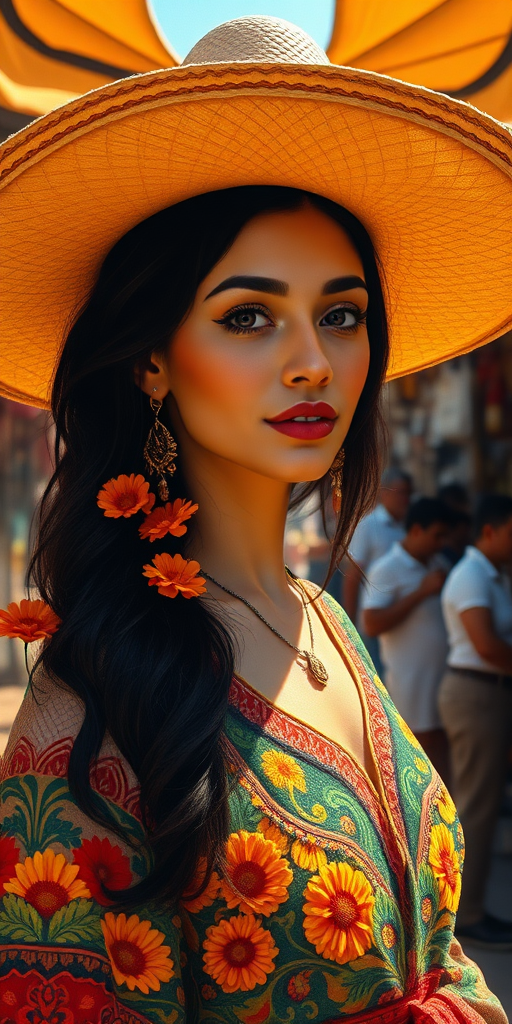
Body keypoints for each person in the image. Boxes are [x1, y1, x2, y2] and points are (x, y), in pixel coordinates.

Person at [0, 15, 509, 1023]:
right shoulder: (87, 715)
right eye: (248, 314)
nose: (312, 360)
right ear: (150, 356)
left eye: (341, 311)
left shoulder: (326, 620)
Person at [439, 495, 512, 950]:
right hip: (476, 691)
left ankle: (472, 911)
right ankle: (466, 917)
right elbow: (486, 645)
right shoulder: (470, 576)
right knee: (477, 811)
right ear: (489, 531)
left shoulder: (492, 574)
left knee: (481, 805)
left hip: (490, 692)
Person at [361, 498, 454, 781]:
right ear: (415, 531)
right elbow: (371, 623)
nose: (441, 543)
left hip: (442, 677)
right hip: (411, 681)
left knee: (441, 747)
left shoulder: (438, 563)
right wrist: (421, 592)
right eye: (436, 535)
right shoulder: (386, 568)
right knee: (419, 755)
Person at [342, 468, 412, 670]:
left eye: (409, 493)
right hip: (374, 617)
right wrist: (349, 625)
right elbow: (352, 575)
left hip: (404, 618)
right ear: (385, 493)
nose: (405, 499)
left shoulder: (409, 526)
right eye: (401, 492)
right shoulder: (368, 526)